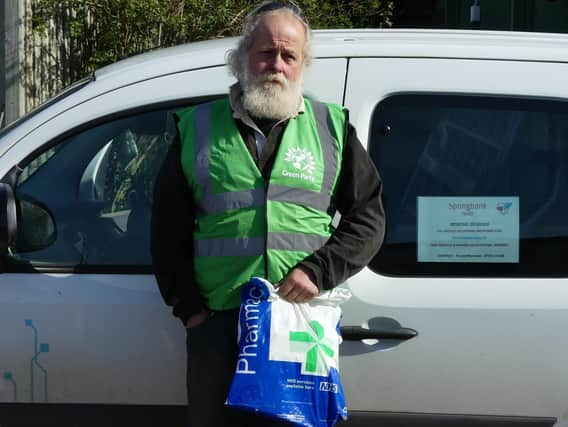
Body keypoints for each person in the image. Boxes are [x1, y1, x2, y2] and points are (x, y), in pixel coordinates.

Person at [150, 1, 385, 425]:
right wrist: (191, 312)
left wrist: (319, 270)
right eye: (265, 52)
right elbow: (167, 231)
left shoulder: (331, 128)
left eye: (288, 55)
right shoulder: (196, 128)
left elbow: (368, 218)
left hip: (299, 324)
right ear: (243, 57)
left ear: (302, 64)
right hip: (219, 326)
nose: (276, 64)